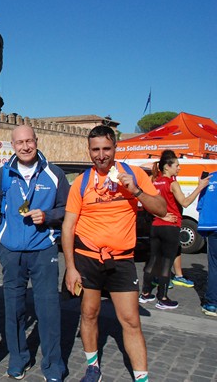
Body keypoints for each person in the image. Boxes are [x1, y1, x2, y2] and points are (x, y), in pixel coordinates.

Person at [62, 125, 166, 382]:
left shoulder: (134, 175)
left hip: (121, 260)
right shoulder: (81, 183)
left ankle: (141, 377)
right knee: (89, 313)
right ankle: (92, 367)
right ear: (89, 151)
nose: (101, 155)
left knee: (130, 320)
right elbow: (68, 226)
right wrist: (71, 267)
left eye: (106, 148)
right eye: (95, 149)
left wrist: (137, 191)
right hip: (87, 258)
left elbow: (161, 210)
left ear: (115, 148)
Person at [0, 125, 68, 382]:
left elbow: (66, 209)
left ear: (36, 141)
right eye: (19, 142)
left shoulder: (54, 174)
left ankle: (53, 365)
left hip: (43, 250)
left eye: (29, 141)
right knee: (13, 309)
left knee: (48, 310)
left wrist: (48, 216)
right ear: (12, 145)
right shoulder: (3, 175)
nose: (25, 147)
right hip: (11, 252)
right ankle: (18, 358)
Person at [139, 150, 210, 309]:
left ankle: (144, 294)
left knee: (153, 261)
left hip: (156, 226)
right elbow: (185, 202)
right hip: (170, 227)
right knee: (166, 263)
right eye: (177, 165)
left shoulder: (154, 181)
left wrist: (161, 216)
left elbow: (146, 203)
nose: (179, 168)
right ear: (167, 166)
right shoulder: (172, 183)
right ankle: (162, 298)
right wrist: (199, 187)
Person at [197, 170, 216, 316]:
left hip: (212, 226)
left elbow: (200, 205)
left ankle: (211, 304)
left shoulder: (209, 177)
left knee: (214, 266)